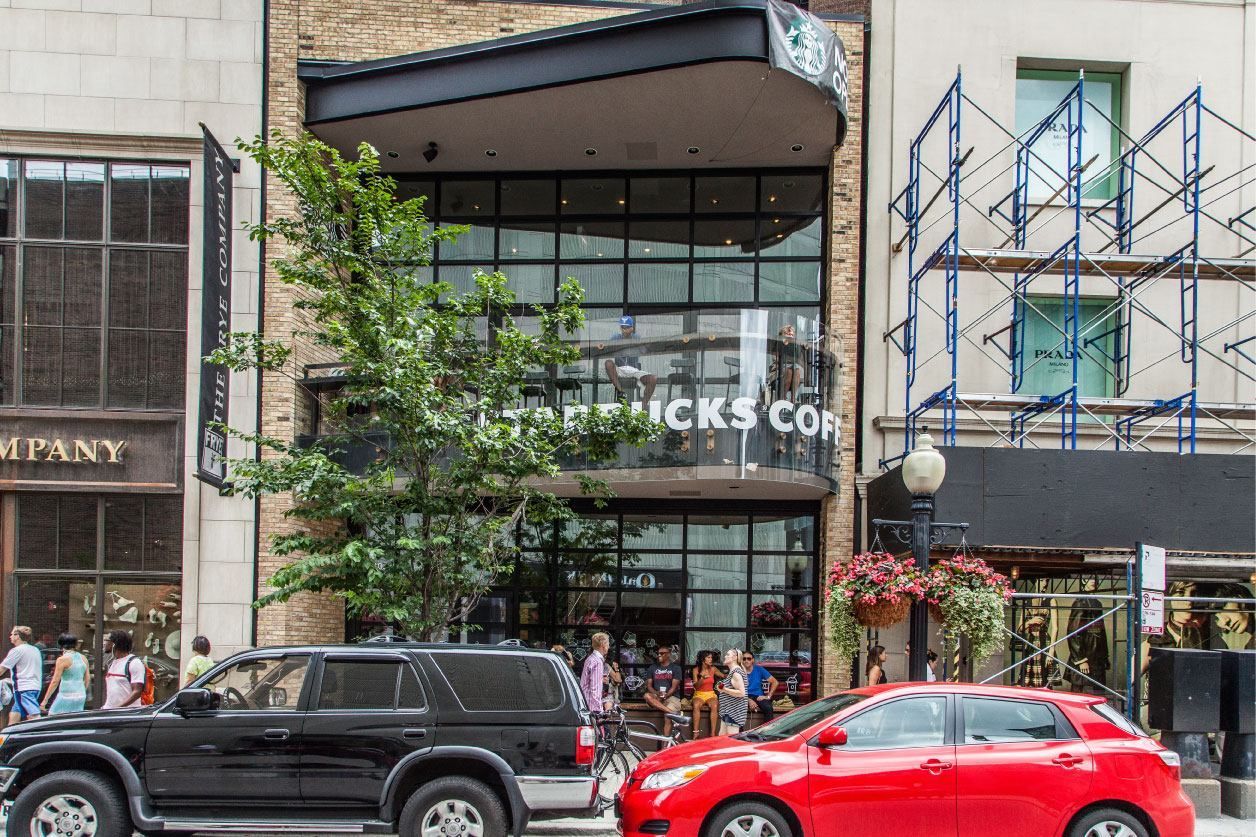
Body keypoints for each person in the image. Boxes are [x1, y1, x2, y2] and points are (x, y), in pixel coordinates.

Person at [603, 315, 657, 402]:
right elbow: (605, 348)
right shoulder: (615, 338)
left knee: (653, 379)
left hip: (634, 370)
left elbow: (644, 351)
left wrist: (646, 345)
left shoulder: (637, 338)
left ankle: (643, 405)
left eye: (627, 327)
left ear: (632, 328)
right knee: (608, 363)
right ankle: (621, 391)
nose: (624, 330)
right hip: (619, 368)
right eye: (623, 327)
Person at [0, 626, 45, 724]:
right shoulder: (35, 650)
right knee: (16, 710)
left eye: (12, 634)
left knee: (34, 715)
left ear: (17, 636)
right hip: (35, 686)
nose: (10, 636)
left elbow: (2, 669)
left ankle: (42, 734)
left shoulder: (17, 650)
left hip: (23, 688)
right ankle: (9, 733)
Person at [642, 645, 683, 737]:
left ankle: (665, 746)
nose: (659, 655)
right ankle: (673, 713)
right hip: (657, 696)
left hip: (672, 697)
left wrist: (665, 696)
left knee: (667, 717)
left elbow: (674, 687)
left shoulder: (676, 668)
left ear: (668, 655)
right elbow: (649, 685)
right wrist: (657, 693)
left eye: (662, 653)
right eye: (658, 653)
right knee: (646, 696)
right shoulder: (652, 668)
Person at [43, 634, 89, 715]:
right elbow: (87, 678)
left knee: (53, 717)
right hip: (81, 695)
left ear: (61, 645)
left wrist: (45, 700)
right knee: (74, 720)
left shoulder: (62, 659)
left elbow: (55, 681)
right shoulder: (83, 658)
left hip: (66, 694)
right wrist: (82, 691)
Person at [102, 630, 146, 710]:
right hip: (109, 712)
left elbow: (137, 692)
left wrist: (118, 708)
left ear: (114, 644)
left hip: (126, 714)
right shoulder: (113, 662)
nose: (104, 643)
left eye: (107, 640)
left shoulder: (134, 663)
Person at [715, 648, 748, 735]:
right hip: (728, 711)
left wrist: (724, 689)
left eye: (727, 655)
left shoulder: (736, 673)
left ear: (734, 657)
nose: (725, 656)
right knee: (722, 738)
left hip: (733, 713)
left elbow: (741, 693)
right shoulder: (733, 672)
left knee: (730, 741)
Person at [690, 650, 722, 739]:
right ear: (702, 659)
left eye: (711, 657)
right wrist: (702, 678)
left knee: (715, 705)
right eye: (708, 657)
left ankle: (712, 733)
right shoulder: (696, 670)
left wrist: (734, 673)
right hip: (699, 694)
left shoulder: (713, 669)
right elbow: (696, 686)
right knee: (696, 705)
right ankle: (696, 733)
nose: (711, 659)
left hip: (710, 694)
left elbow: (723, 676)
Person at [741, 651, 779, 724]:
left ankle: (766, 732)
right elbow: (736, 690)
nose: (746, 661)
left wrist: (768, 696)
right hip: (743, 696)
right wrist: (748, 700)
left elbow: (775, 682)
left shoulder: (759, 669)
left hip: (758, 696)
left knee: (768, 708)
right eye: (744, 659)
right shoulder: (739, 671)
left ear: (753, 660)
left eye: (749, 659)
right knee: (739, 709)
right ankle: (739, 734)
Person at [580, 631, 612, 713]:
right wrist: (599, 710)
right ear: (603, 645)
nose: (609, 646)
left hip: (585, 701)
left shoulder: (590, 658)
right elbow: (595, 689)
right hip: (591, 706)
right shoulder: (597, 661)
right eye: (608, 644)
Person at [771, 324, 805, 400]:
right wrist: (784, 344)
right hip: (779, 371)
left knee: (797, 371)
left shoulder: (795, 346)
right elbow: (776, 359)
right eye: (788, 334)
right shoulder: (778, 343)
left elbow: (799, 359)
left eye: (791, 334)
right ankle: (783, 397)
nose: (790, 336)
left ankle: (793, 398)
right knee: (789, 371)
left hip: (793, 370)